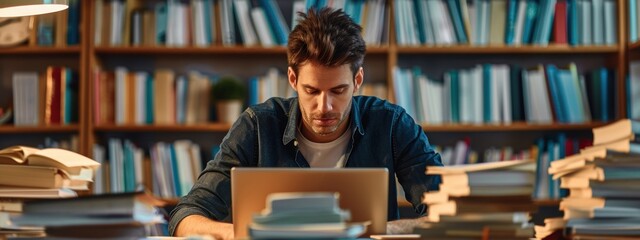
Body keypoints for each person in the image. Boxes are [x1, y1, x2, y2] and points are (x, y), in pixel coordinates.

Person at [169, 7, 442, 239]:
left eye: (338, 91)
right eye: (312, 91)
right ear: (293, 79)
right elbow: (185, 216)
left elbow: (449, 211)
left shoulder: (391, 124)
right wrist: (241, 234)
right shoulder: (257, 126)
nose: (325, 107)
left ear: (357, 81)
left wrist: (383, 231)